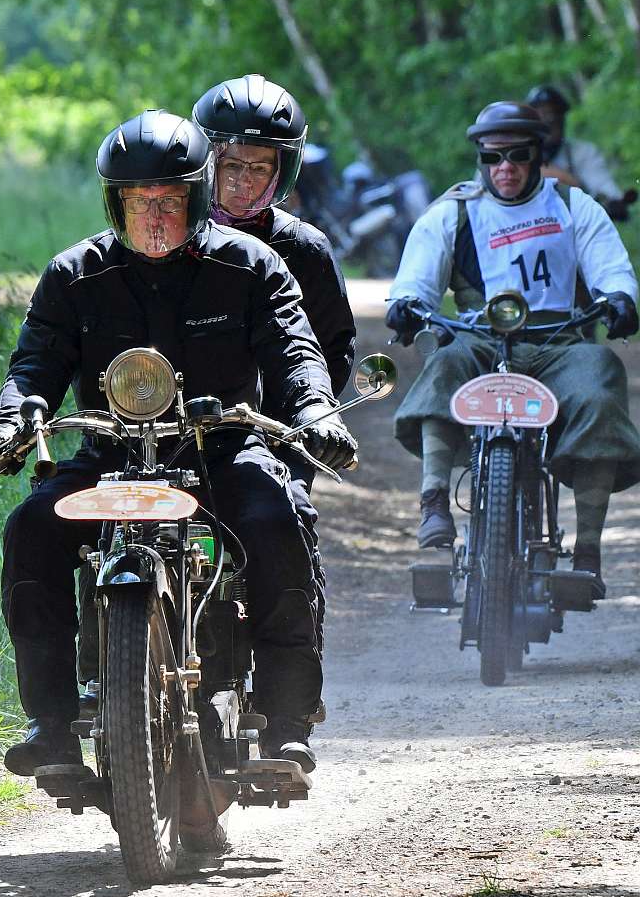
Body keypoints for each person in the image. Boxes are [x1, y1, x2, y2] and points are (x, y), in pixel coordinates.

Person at [0, 109, 357, 776]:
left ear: (196, 197)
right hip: (109, 456)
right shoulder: (74, 273)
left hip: (223, 452)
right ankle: (51, 726)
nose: (155, 217)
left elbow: (295, 349)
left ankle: (286, 724)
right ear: (115, 203)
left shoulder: (251, 265)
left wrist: (316, 411)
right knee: (31, 525)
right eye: (139, 202)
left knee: (278, 519)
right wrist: (8, 425)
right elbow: (35, 365)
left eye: (170, 201)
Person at [386, 100, 640, 594]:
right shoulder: (454, 212)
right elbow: (416, 276)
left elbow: (611, 267)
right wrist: (407, 304)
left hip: (558, 342)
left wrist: (619, 298)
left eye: (517, 155)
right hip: (480, 340)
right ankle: (434, 503)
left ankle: (588, 551)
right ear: (480, 159)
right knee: (445, 362)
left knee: (600, 374)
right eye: (492, 157)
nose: (504, 168)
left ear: (538, 155)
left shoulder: (572, 205)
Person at [192, 74, 356, 659]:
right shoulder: (163, 238)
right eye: (230, 165)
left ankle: (291, 688)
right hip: (172, 430)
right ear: (204, 163)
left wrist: (302, 421)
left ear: (282, 172)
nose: (242, 182)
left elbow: (330, 350)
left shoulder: (304, 248)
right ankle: (101, 670)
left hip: (274, 435)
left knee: (288, 527)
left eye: (258, 168)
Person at [526, 85, 630, 220]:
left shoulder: (582, 152)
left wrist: (613, 201)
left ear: (562, 118)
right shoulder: (517, 156)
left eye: (553, 114)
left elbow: (601, 183)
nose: (549, 120)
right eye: (542, 115)